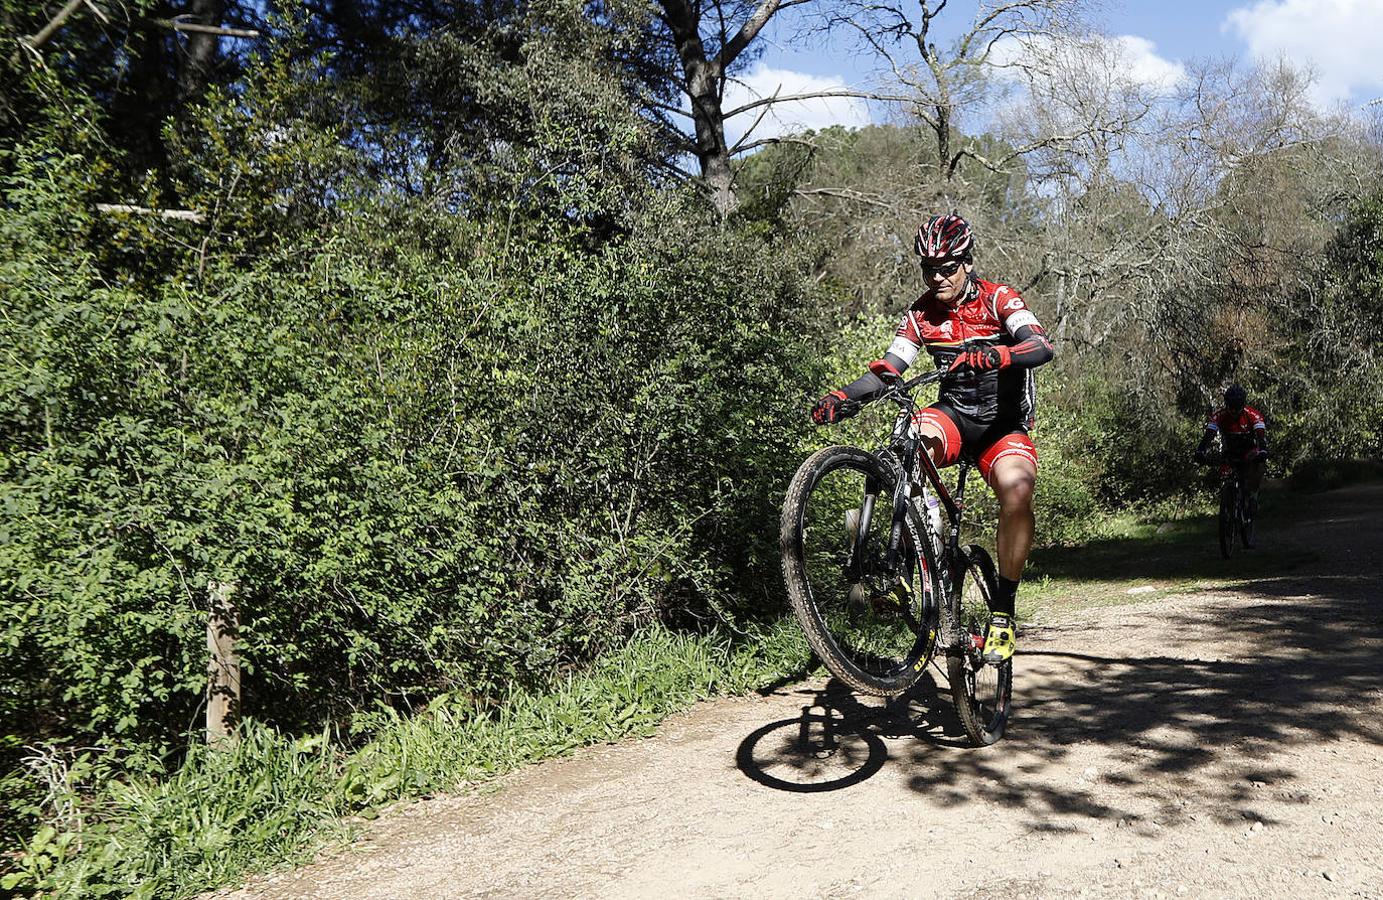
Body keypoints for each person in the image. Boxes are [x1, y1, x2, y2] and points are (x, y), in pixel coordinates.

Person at [810, 214, 1054, 664]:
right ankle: (917, 539)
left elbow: (1040, 346)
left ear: (967, 262)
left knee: (1017, 490)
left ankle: (1003, 610)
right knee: (908, 435)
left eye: (947, 266)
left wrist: (999, 352)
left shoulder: (1000, 298)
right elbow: (888, 370)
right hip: (954, 416)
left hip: (1003, 425)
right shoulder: (921, 314)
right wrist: (845, 396)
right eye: (929, 268)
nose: (938, 276)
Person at [1194, 384, 1269, 544]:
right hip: (1231, 452)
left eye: (1237, 407)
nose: (1234, 411)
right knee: (1226, 476)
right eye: (1231, 407)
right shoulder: (1219, 416)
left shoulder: (1253, 415)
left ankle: (1252, 497)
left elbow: (1261, 439)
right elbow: (1208, 436)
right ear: (1226, 404)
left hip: (1249, 451)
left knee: (1257, 467)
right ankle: (1230, 505)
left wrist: (1262, 451)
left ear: (1243, 405)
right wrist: (1200, 451)